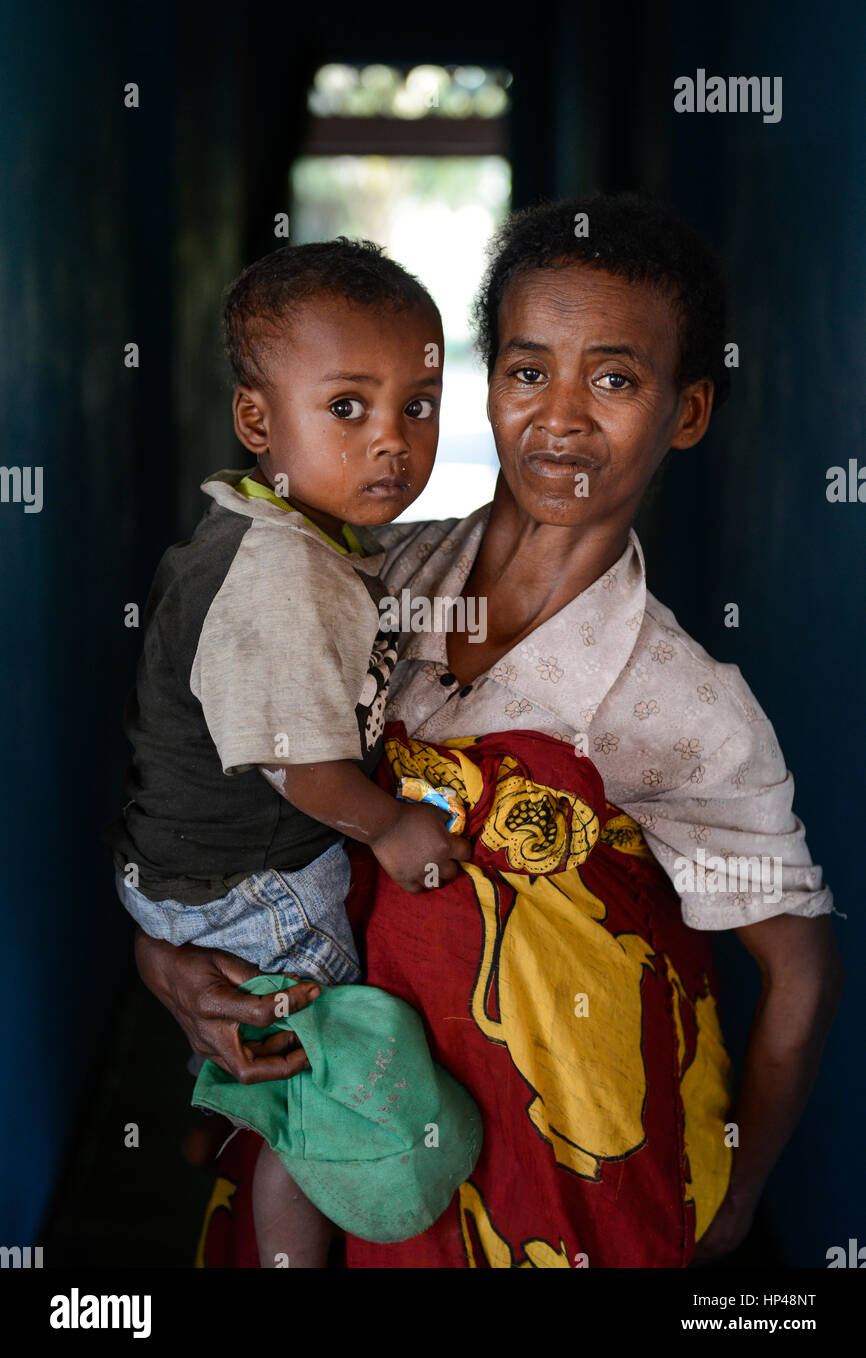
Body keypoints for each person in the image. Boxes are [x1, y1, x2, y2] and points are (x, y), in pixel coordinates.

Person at [134, 194, 844, 1268]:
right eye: (525, 371)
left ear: (686, 411)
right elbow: (230, 792)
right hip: (365, 1149)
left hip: (564, 1191)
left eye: (614, 378)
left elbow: (799, 969)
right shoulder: (377, 579)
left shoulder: (679, 703)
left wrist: (734, 1196)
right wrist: (165, 955)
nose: (558, 419)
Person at [107, 238, 470, 1268]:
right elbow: (299, 768)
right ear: (257, 419)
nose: (392, 441)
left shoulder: (288, 532)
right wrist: (394, 827)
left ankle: (219, 1114)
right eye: (348, 407)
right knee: (319, 1074)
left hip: (187, 873)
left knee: (266, 1053)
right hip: (248, 882)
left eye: (419, 405)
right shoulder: (280, 577)